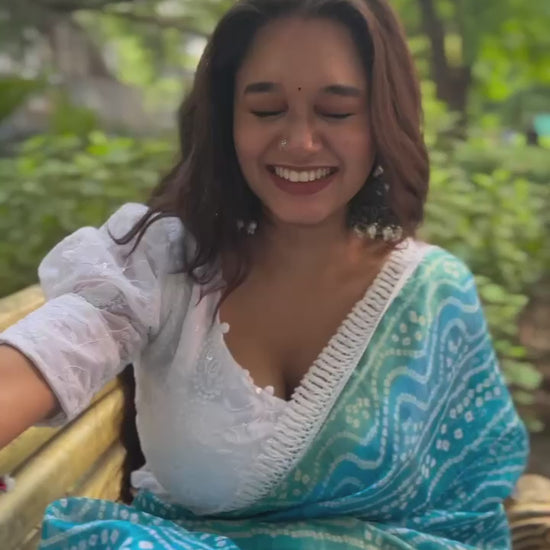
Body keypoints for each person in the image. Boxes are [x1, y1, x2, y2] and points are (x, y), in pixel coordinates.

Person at [0, 0, 528, 548]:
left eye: (337, 112)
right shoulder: (164, 264)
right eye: (266, 109)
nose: (300, 142)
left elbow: (470, 510)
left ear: (381, 121)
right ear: (227, 120)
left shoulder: (436, 296)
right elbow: (53, 349)